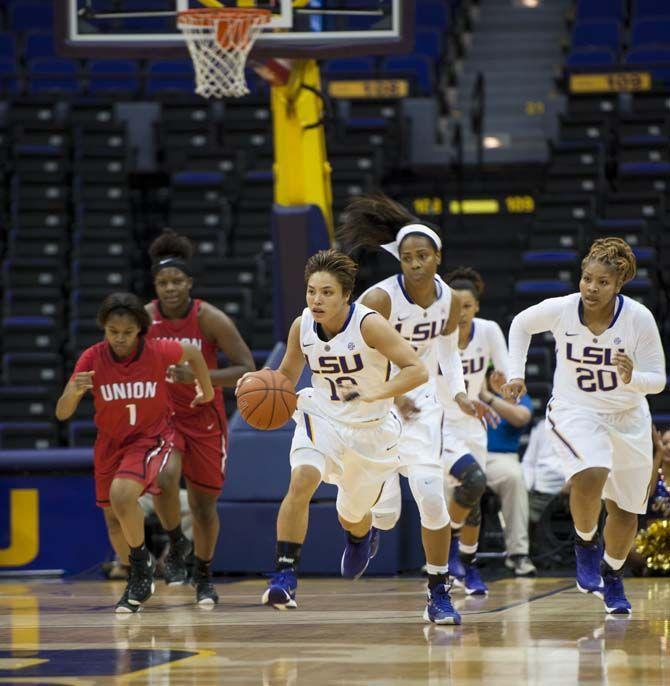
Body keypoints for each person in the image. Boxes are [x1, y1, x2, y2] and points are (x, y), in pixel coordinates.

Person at [239, 248, 460, 624]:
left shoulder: (369, 324)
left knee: (352, 515)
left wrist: (378, 392)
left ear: (346, 295)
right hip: (321, 415)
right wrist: (258, 384)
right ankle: (285, 575)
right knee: (302, 480)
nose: (316, 300)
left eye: (326, 292)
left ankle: (361, 535)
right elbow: (287, 378)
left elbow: (416, 370)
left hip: (372, 429)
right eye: (311, 291)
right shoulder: (302, 326)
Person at [336, 195, 487, 620]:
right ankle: (362, 534)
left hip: (421, 404)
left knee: (432, 498)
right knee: (376, 514)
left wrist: (456, 393)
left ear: (438, 257)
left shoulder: (452, 300)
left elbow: (447, 353)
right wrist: (390, 390)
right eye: (407, 257)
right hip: (376, 401)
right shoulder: (379, 300)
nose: (415, 263)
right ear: (399, 261)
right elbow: (355, 353)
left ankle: (437, 591)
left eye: (423, 255)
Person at [503, 237, 666, 614]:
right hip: (576, 409)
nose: (592, 288)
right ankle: (585, 543)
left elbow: (657, 379)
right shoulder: (562, 309)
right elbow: (520, 325)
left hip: (627, 416)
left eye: (602, 282)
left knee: (626, 511)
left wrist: (633, 378)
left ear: (619, 284)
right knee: (590, 473)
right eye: (587, 279)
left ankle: (612, 576)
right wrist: (516, 373)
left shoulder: (638, 318)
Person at [55, 292, 214, 613]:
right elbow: (62, 413)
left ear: (140, 331)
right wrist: (72, 392)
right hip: (111, 444)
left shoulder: (156, 351)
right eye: (113, 332)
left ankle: (141, 572)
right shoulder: (91, 358)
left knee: (123, 494)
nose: (120, 339)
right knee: (113, 518)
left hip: (149, 437)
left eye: (127, 333)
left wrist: (206, 390)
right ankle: (138, 570)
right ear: (104, 328)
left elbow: (195, 354)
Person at [145, 230, 255, 605]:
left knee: (204, 508)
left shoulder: (209, 318)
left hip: (205, 419)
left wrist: (200, 377)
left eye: (177, 281)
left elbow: (245, 368)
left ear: (188, 283)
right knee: (162, 476)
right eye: (163, 282)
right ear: (155, 286)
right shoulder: (144, 320)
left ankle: (204, 575)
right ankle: (177, 543)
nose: (170, 288)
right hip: (164, 418)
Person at [437, 267, 507, 594]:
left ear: (476, 306)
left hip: (473, 424)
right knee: (465, 487)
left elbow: (505, 370)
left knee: (473, 499)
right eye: (455, 306)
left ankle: (467, 566)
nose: (460, 313)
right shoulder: (434, 335)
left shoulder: (490, 331)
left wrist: (500, 381)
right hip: (437, 423)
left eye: (466, 306)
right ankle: (447, 560)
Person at [480, 370, 535, 576]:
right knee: (443, 478)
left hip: (501, 458)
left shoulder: (519, 396)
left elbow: (522, 417)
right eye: (491, 372)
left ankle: (518, 554)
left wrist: (489, 397)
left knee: (514, 477)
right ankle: (445, 555)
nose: (496, 376)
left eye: (502, 372)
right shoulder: (465, 389)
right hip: (466, 452)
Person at [522, 420, 568, 528]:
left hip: (571, 491)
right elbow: (528, 462)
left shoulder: (580, 425)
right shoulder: (541, 426)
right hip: (540, 493)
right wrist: (529, 488)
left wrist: (572, 481)